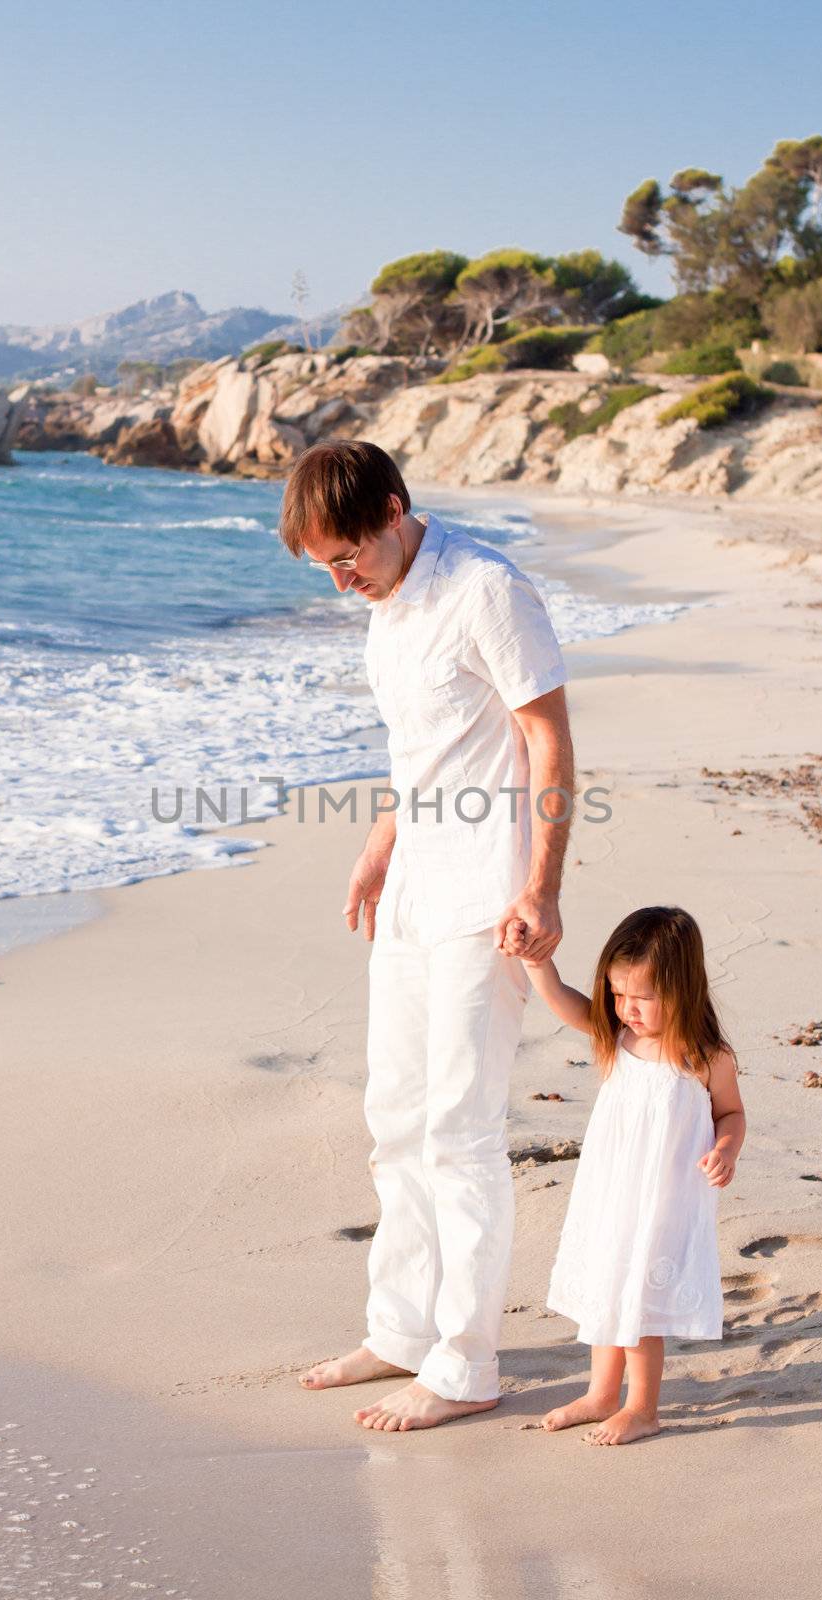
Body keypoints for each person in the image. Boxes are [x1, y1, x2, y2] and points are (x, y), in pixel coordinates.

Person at [278, 439, 574, 1430]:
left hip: (484, 894)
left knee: (459, 1126)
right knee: (394, 1119)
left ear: (394, 510)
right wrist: (376, 845)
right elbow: (422, 752)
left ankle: (465, 1361)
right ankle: (400, 1329)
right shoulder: (382, 612)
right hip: (410, 887)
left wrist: (541, 887)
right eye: (323, 564)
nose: (339, 576)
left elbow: (547, 740)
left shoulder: (489, 590)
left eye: (346, 553)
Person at [505, 903, 746, 1445]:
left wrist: (726, 1150)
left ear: (682, 989)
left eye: (642, 998)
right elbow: (566, 1001)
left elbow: (731, 1112)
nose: (627, 1008)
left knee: (637, 1297)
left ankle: (642, 1407)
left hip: (664, 1197)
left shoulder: (704, 1056)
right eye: (618, 994)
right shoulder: (618, 1035)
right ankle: (600, 1394)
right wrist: (537, 963)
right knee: (605, 1285)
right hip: (611, 1188)